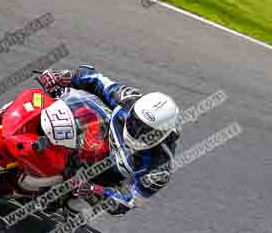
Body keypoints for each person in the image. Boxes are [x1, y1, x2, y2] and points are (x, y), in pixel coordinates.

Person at [38, 65, 180, 215]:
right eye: (135, 122)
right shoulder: (128, 99)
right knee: (65, 102)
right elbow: (95, 79)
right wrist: (64, 76)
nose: (137, 132)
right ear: (133, 111)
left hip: (106, 178)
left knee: (78, 209)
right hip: (99, 132)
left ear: (163, 135)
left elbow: (130, 201)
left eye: (147, 131)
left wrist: (97, 190)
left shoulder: (159, 168)